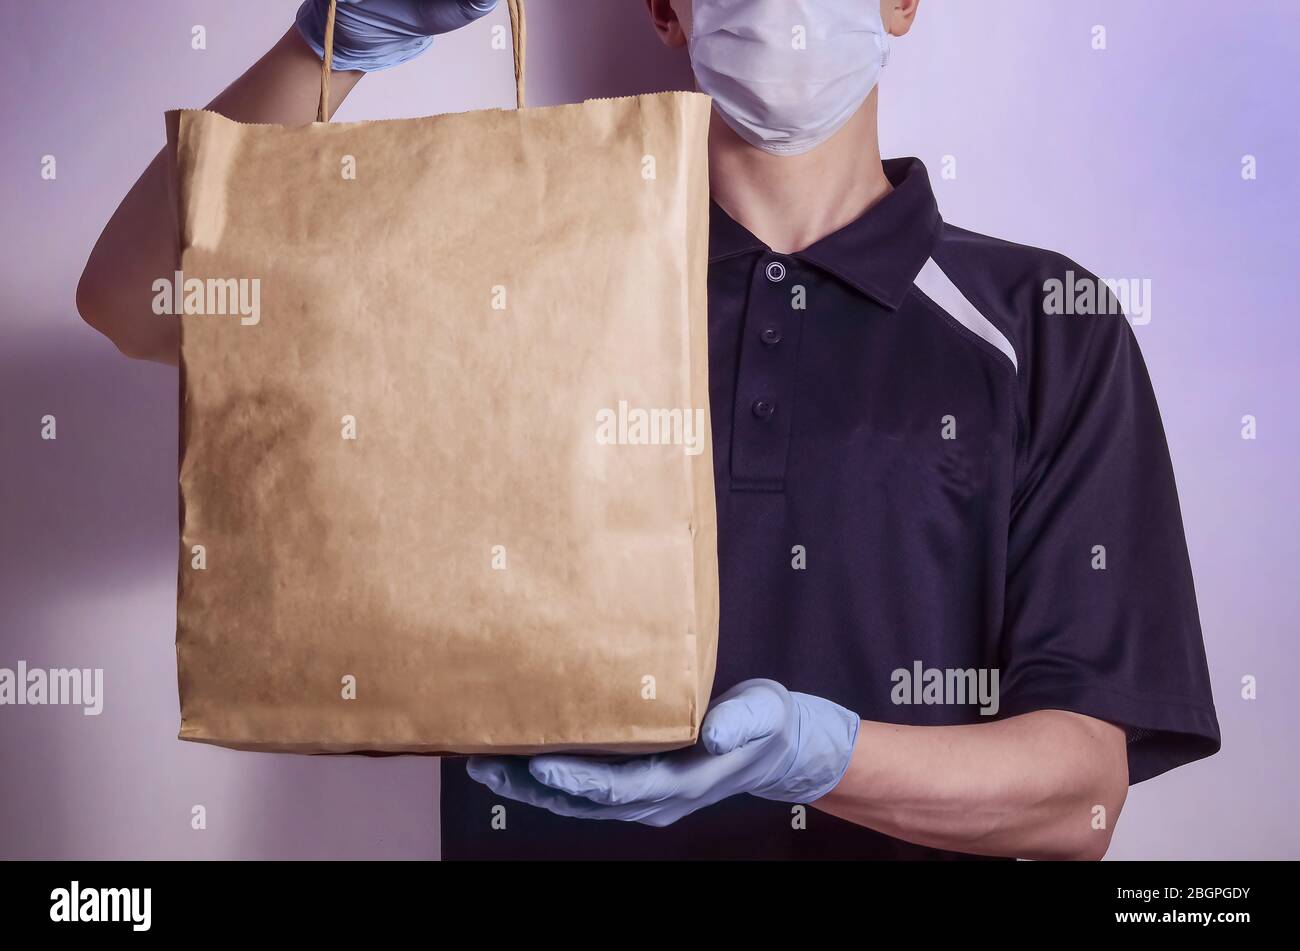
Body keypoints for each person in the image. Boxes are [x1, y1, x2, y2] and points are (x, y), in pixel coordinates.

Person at [77, 0, 1220, 860]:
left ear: (902, 0)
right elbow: (138, 301)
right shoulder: (513, 272)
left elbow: (1080, 796)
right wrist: (337, 39)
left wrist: (817, 760)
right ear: (666, 8)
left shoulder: (1042, 325)